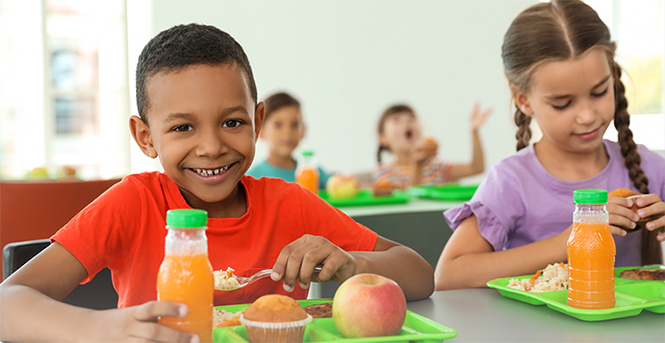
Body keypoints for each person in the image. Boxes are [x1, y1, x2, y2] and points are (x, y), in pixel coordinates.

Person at [0, 24, 434, 342]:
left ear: (257, 121)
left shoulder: (290, 205)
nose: (211, 147)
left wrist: (352, 264)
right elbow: (8, 303)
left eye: (231, 122)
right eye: (183, 128)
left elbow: (419, 275)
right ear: (146, 138)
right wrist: (100, 326)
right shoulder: (134, 203)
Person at [434, 0, 665, 291]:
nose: (587, 116)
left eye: (599, 92)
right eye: (563, 104)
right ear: (524, 100)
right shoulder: (511, 182)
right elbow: (448, 276)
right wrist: (571, 240)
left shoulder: (649, 168)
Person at [371, 103, 491, 189]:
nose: (406, 122)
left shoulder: (437, 169)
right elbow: (408, 204)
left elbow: (476, 168)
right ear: (382, 138)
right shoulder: (383, 173)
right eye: (396, 120)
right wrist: (416, 165)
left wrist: (474, 131)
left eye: (411, 118)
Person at [247, 92, 331, 189]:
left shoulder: (313, 173)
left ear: (303, 130)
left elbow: (337, 183)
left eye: (294, 125)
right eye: (278, 125)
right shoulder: (251, 179)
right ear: (260, 130)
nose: (287, 132)